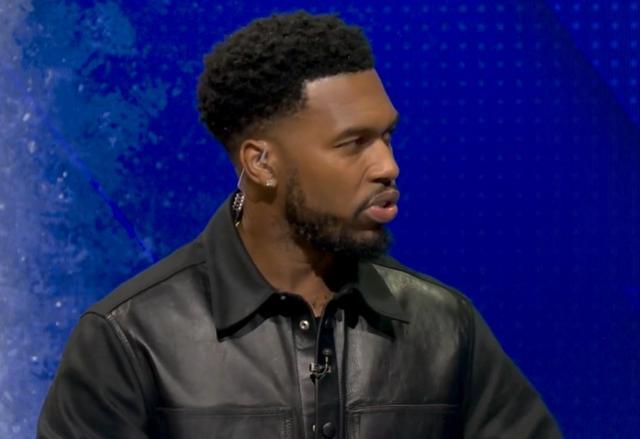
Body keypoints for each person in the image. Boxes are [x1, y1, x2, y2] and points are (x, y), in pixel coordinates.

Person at [37, 11, 561, 439]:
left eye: (387, 137)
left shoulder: (445, 327)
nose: (388, 166)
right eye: (353, 143)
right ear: (261, 163)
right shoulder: (129, 340)